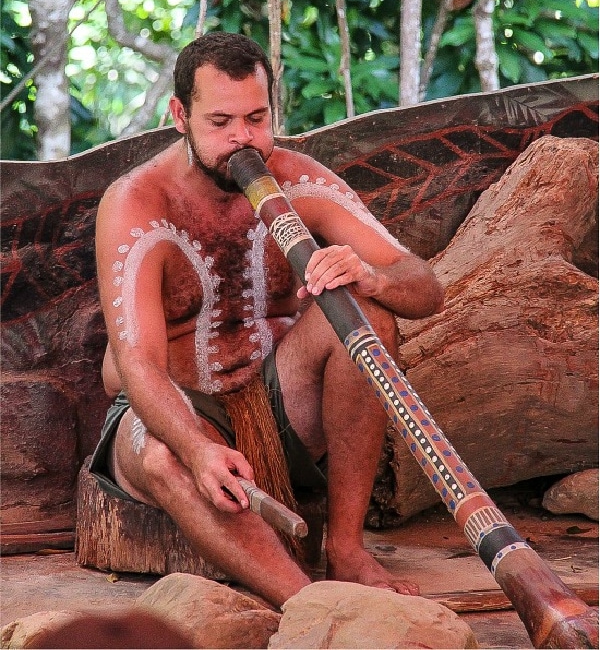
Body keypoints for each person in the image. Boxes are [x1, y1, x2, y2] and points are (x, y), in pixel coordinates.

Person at [91, 32, 444, 609]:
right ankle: (308, 605)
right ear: (180, 115)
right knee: (161, 452)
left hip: (282, 401)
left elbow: (425, 288)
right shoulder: (135, 203)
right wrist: (198, 450)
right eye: (221, 121)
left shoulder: (299, 179)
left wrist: (369, 277)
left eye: (256, 118)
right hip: (172, 408)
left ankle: (347, 548)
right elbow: (138, 366)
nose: (243, 139)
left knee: (370, 317)